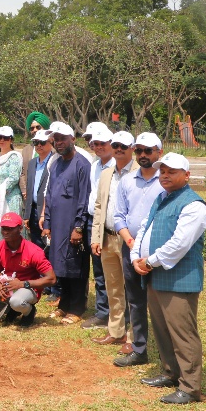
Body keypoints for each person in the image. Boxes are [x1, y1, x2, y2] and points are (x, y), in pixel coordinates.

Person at [130, 153, 206, 405]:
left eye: (171, 171)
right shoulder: (162, 198)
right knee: (162, 329)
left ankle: (190, 387)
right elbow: (144, 228)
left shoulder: (194, 205)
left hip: (179, 278)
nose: (164, 175)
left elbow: (179, 244)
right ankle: (170, 372)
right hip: (154, 274)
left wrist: (149, 261)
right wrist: (135, 255)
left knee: (183, 332)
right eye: (162, 171)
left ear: (186, 175)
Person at [113, 132, 166, 365]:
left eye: (148, 151)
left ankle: (167, 354)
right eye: (139, 151)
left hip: (157, 252)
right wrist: (131, 243)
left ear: (159, 153)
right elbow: (118, 217)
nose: (143, 155)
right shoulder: (127, 181)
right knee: (135, 300)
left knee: (161, 303)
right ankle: (140, 349)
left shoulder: (165, 181)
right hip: (130, 248)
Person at [39, 122, 93, 324]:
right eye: (56, 140)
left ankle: (77, 308)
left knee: (75, 266)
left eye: (63, 139)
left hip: (73, 226)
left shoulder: (82, 164)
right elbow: (50, 196)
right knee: (60, 265)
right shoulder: (56, 163)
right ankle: (64, 304)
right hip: (58, 226)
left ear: (73, 139)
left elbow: (84, 199)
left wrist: (78, 227)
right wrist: (48, 224)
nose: (59, 143)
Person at [89, 131, 138, 346]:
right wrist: (96, 237)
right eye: (116, 145)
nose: (119, 149)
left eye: (123, 146)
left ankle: (135, 337)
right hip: (108, 237)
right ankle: (116, 331)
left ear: (132, 148)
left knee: (134, 290)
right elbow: (100, 206)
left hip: (130, 240)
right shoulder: (107, 173)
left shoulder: (140, 172)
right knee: (113, 288)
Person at [0, 213, 56, 326]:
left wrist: (22, 284)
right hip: (8, 286)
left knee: (16, 301)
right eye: (3, 228)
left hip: (29, 288)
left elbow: (51, 279)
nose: (6, 232)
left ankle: (29, 311)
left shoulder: (34, 251)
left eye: (10, 229)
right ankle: (12, 310)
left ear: (20, 229)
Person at [80, 122, 115, 328]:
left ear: (111, 143)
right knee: (99, 270)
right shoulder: (94, 165)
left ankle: (113, 312)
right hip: (93, 221)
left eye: (103, 143)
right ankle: (103, 312)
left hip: (108, 222)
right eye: (95, 143)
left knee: (112, 269)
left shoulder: (115, 166)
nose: (99, 146)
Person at [0, 126, 23, 242]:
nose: (2, 140)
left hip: (9, 198)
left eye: (6, 138)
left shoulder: (15, 157)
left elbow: (13, 178)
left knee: (10, 230)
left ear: (11, 140)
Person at [22, 128, 55, 251]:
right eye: (36, 142)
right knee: (36, 247)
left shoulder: (55, 161)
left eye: (42, 142)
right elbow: (30, 189)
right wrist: (27, 215)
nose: (39, 145)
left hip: (47, 211)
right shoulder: (32, 163)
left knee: (48, 247)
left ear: (50, 142)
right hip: (33, 211)